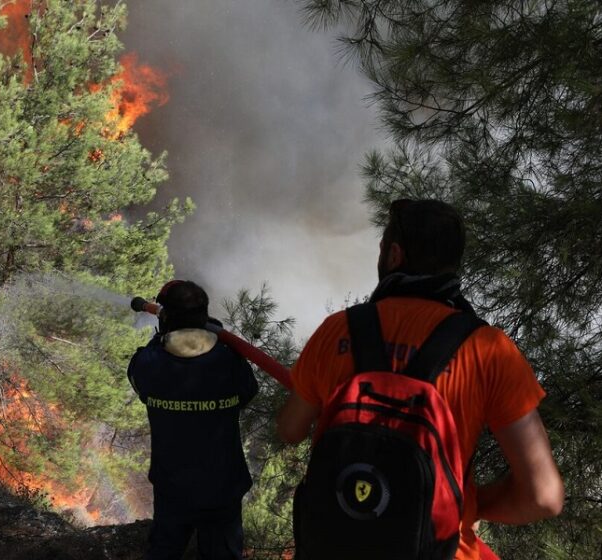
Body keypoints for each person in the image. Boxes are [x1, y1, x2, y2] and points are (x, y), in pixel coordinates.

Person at [276, 199, 564, 560]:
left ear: (394, 255)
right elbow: (544, 497)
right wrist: (468, 503)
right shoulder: (490, 351)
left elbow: (290, 429)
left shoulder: (338, 330)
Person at [128, 280, 258, 560]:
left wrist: (160, 336)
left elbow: (139, 379)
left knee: (164, 552)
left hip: (173, 487)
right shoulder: (229, 362)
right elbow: (248, 392)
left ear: (166, 320)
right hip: (222, 485)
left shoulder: (149, 364)